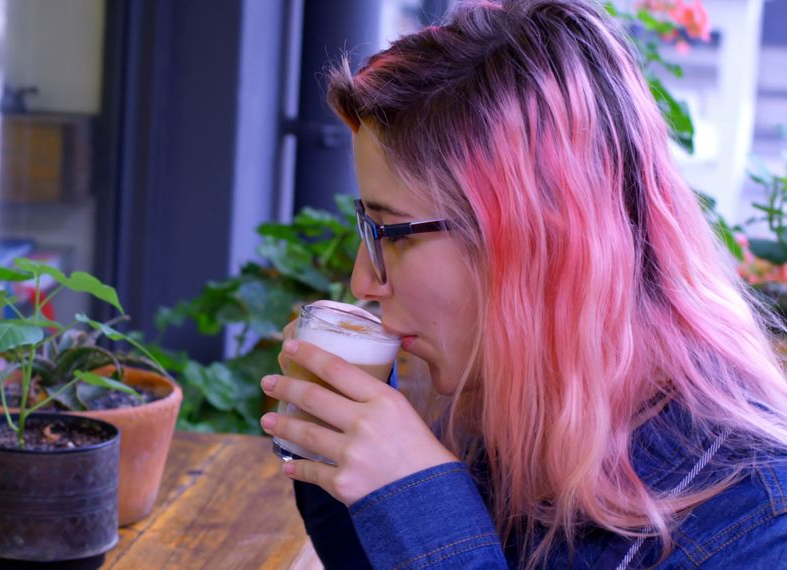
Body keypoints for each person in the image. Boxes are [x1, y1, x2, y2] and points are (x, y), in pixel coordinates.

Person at [258, 0, 787, 568]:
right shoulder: (501, 414)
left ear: (538, 241)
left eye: (394, 233)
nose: (365, 279)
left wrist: (423, 505)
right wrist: (349, 460)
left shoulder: (753, 529)